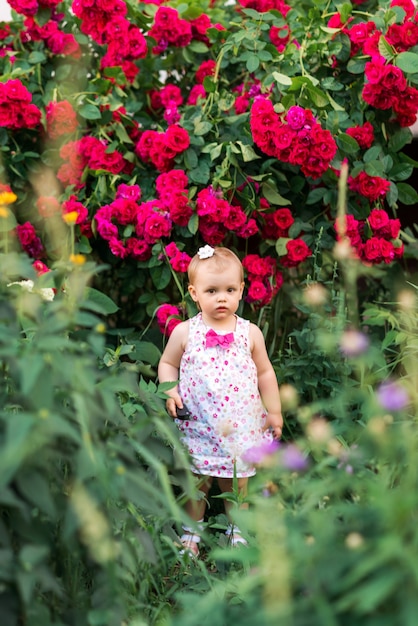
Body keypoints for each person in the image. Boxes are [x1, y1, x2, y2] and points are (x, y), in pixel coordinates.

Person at [158, 245, 283, 556]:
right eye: (211, 290)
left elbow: (265, 373)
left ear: (241, 290)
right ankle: (192, 533)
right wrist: (169, 390)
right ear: (194, 293)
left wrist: (275, 411)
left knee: (236, 483)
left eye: (229, 289)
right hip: (199, 426)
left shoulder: (250, 333)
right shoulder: (186, 332)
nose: (222, 297)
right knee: (197, 483)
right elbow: (167, 364)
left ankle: (235, 529)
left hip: (240, 428)